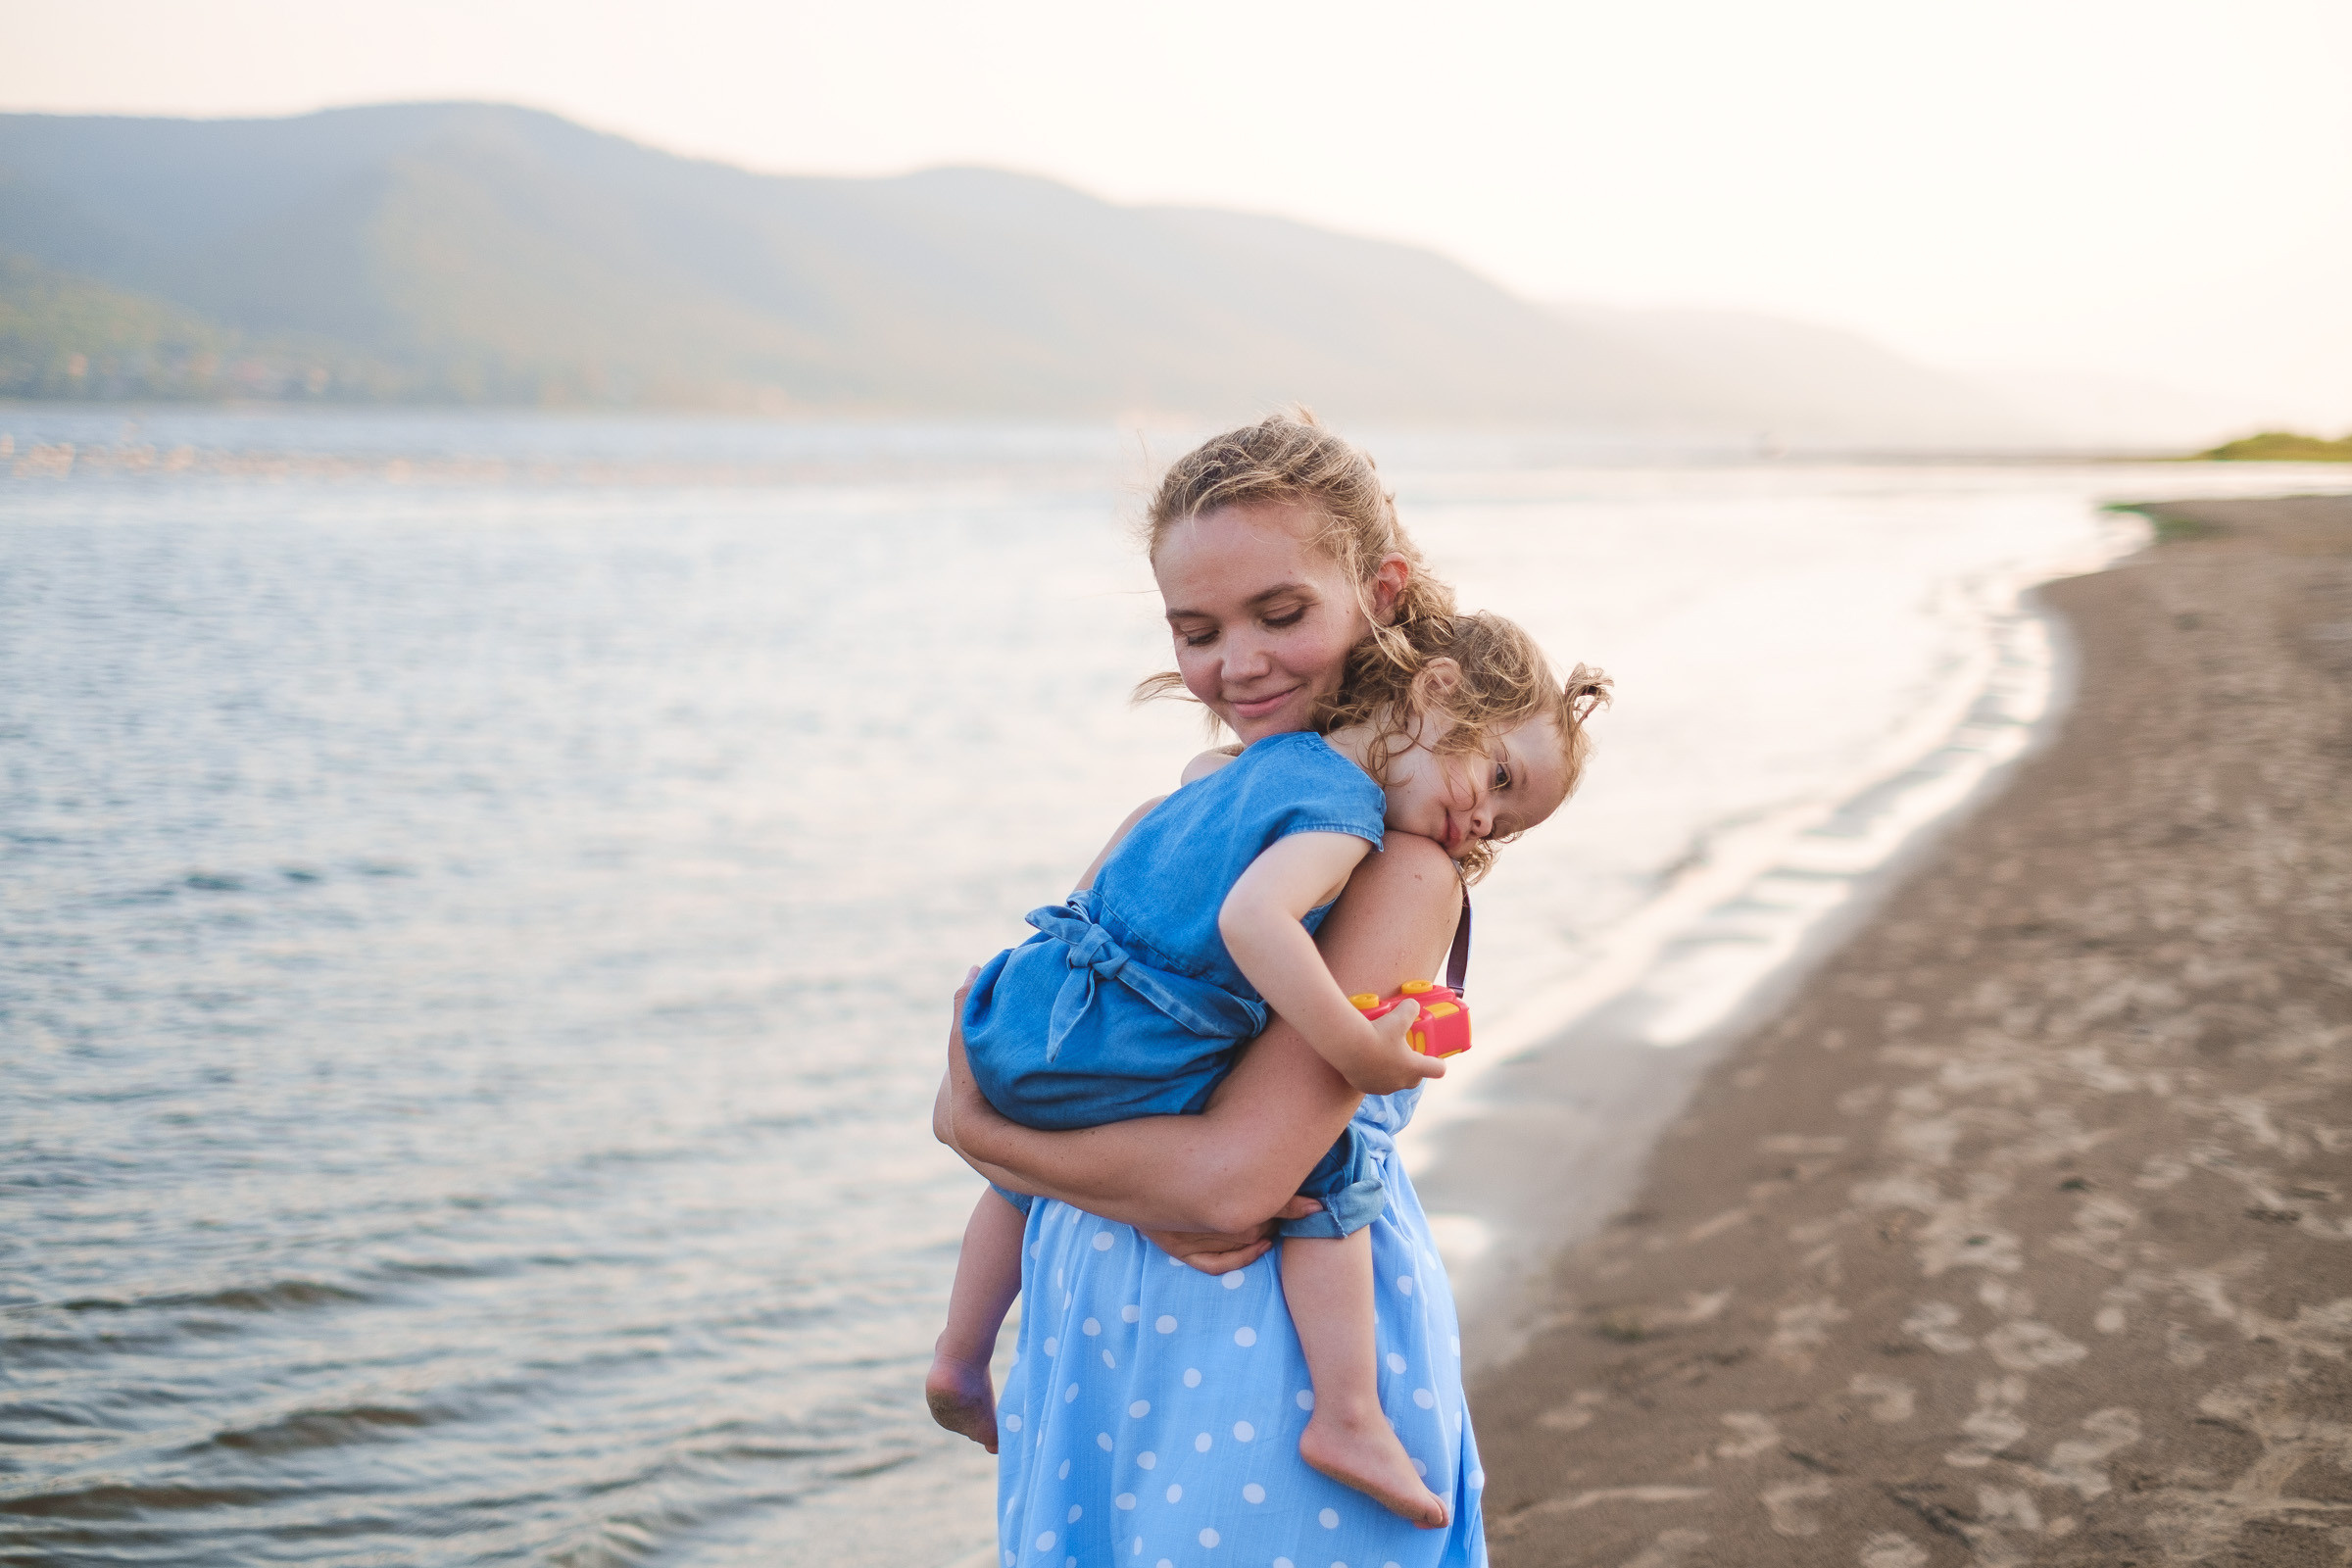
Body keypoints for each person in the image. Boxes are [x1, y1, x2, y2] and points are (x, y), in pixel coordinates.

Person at [931, 413, 1608, 1566]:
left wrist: (978, 1132)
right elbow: (1057, 1026)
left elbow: (1232, 1186)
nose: (1237, 664)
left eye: (1280, 614)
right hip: (1103, 1313)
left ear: (1381, 592)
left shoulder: (1401, 870)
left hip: (1252, 1338)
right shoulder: (1184, 812)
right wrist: (990, 1127)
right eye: (1197, 631)